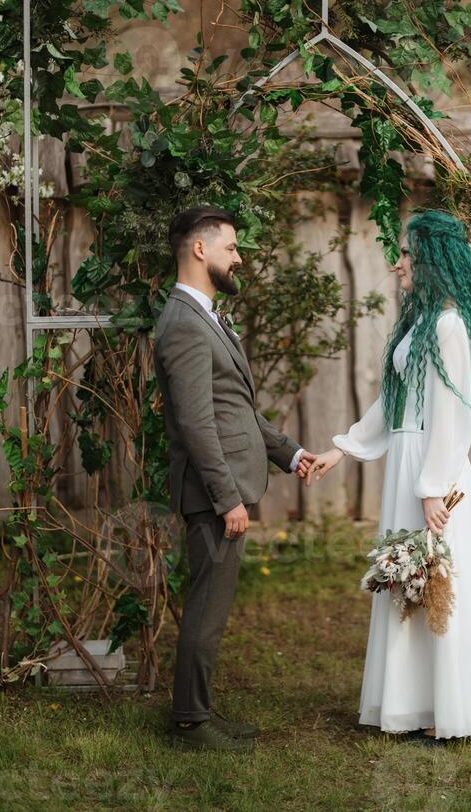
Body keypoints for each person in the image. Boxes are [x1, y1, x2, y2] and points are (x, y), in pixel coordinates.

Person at [307, 210, 471, 744]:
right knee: (410, 583)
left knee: (439, 583)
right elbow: (393, 402)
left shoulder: (448, 326)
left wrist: (432, 489)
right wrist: (345, 448)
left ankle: (445, 708)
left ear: (430, 260)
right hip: (409, 467)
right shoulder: (422, 323)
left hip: (432, 473)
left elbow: (452, 413)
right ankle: (414, 701)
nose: (397, 264)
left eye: (406, 254)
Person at [153, 205, 315, 752]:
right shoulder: (183, 323)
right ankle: (190, 724)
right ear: (201, 250)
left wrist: (290, 454)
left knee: (212, 607)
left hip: (223, 489)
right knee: (206, 609)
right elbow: (197, 425)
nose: (239, 256)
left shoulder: (204, 315)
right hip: (211, 494)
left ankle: (197, 712)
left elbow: (233, 408)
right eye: (232, 247)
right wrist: (227, 500)